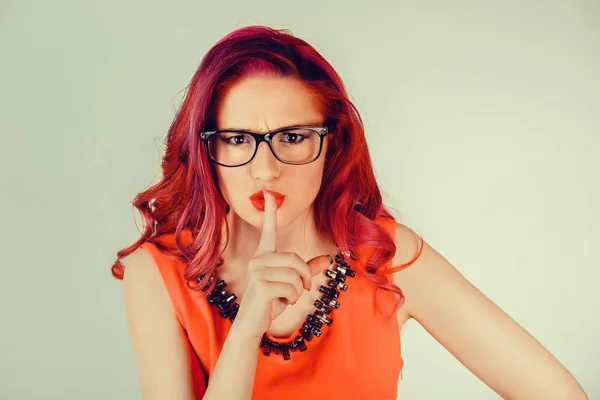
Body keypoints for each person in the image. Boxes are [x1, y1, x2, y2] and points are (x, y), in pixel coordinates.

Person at [111, 25, 588, 400]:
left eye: (293, 137)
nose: (266, 169)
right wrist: (249, 323)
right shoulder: (159, 274)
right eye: (237, 140)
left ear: (331, 144)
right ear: (204, 151)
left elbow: (556, 393)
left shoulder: (385, 255)